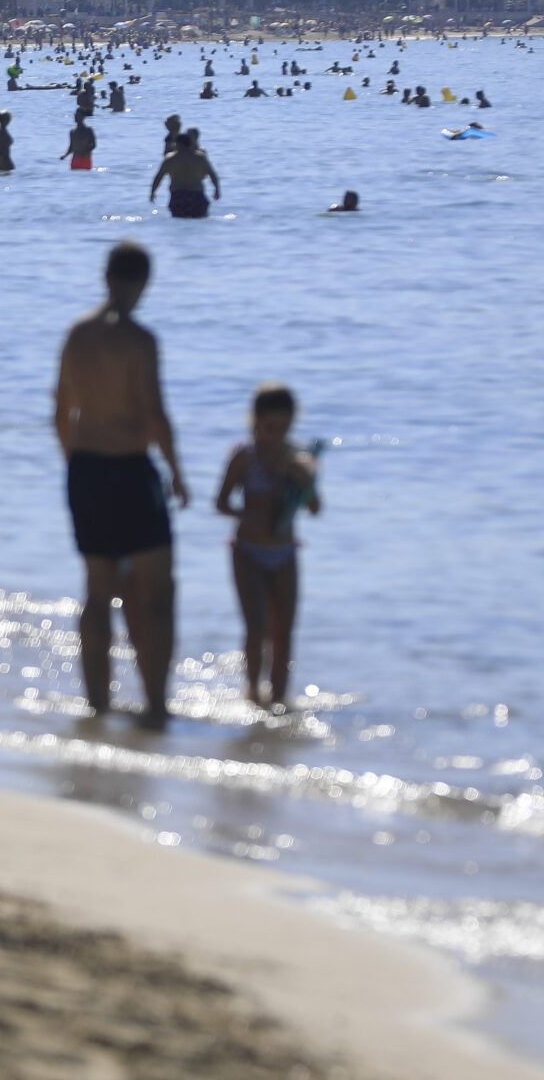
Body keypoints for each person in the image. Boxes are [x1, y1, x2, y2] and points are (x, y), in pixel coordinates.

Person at [52, 242, 188, 728]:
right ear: (143, 283)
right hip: (130, 469)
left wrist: (76, 464)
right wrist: (177, 472)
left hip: (86, 469)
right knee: (157, 591)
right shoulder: (139, 341)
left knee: (97, 588)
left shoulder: (77, 335)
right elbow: (154, 413)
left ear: (105, 276)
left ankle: (97, 704)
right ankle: (155, 703)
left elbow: (61, 411)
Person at [214, 383, 320, 712]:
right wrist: (247, 514)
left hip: (285, 552)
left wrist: (303, 479)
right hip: (247, 550)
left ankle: (278, 700)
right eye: (270, 427)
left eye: (285, 427)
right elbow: (221, 503)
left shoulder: (299, 459)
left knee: (284, 631)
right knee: (257, 627)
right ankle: (252, 693)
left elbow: (315, 508)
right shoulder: (243, 457)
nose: (276, 435)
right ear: (255, 421)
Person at [149, 126, 219, 218]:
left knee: (179, 220)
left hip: (178, 196)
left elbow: (159, 177)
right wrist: (217, 190)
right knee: (200, 219)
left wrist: (153, 192)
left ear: (177, 144)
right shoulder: (200, 157)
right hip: (197, 195)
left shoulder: (170, 159)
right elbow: (212, 174)